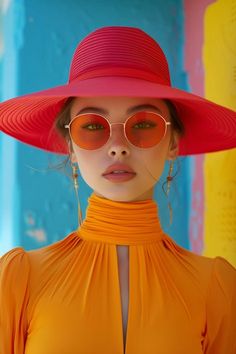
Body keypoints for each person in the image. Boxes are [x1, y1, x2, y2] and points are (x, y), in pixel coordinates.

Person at [0, 26, 236, 354]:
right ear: (69, 145)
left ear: (173, 142)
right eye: (93, 127)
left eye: (142, 124)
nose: (117, 147)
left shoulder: (217, 288)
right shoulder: (18, 280)